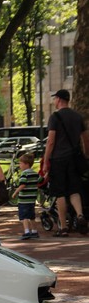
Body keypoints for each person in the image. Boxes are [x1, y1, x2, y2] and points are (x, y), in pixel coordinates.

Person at [42, 89, 89, 236]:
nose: (54, 101)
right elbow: (85, 138)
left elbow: (51, 141)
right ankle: (80, 215)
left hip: (58, 159)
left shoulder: (55, 117)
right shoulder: (77, 117)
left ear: (59, 99)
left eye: (55, 99)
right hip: (74, 158)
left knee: (60, 193)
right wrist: (86, 155)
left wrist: (45, 160)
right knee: (74, 190)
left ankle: (63, 227)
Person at [11, 153, 41, 240]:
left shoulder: (24, 174)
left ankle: (27, 231)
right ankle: (34, 231)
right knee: (31, 216)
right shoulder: (35, 173)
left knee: (23, 217)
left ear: (26, 164)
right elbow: (41, 180)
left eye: (20, 163)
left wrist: (15, 192)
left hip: (24, 200)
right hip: (32, 199)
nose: (19, 165)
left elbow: (22, 185)